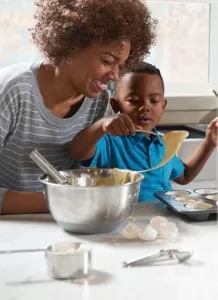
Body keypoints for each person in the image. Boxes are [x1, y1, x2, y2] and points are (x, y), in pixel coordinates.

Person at [0, 0, 156, 214]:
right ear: (70, 46)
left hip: (67, 221)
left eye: (120, 65)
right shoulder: (12, 90)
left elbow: (84, 166)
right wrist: (61, 201)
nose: (115, 75)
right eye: (108, 60)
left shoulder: (99, 100)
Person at [70, 62, 218, 201]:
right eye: (134, 100)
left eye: (154, 101)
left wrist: (209, 142)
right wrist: (101, 125)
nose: (145, 107)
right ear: (115, 105)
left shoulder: (164, 144)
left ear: (163, 106)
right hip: (127, 220)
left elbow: (184, 176)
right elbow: (77, 152)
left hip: (163, 220)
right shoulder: (109, 141)